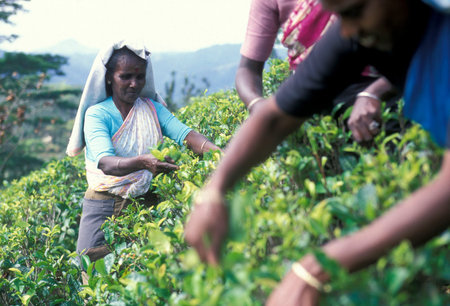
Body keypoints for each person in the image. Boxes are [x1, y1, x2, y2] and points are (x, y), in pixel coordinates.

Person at [185, 0, 450, 304]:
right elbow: (274, 118)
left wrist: (318, 267)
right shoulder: (362, 25)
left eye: (353, 12)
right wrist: (215, 190)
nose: (346, 29)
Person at [66, 40, 220, 277]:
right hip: (103, 204)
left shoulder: (152, 109)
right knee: (94, 277)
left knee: (146, 276)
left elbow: (186, 135)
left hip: (144, 201)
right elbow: (106, 163)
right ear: (109, 78)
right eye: (125, 76)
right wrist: (144, 162)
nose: (134, 84)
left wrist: (220, 155)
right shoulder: (97, 114)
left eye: (139, 77)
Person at [236, 0, 397, 142]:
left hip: (378, 84)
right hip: (313, 99)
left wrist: (373, 93)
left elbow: (417, 43)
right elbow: (247, 69)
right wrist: (256, 104)